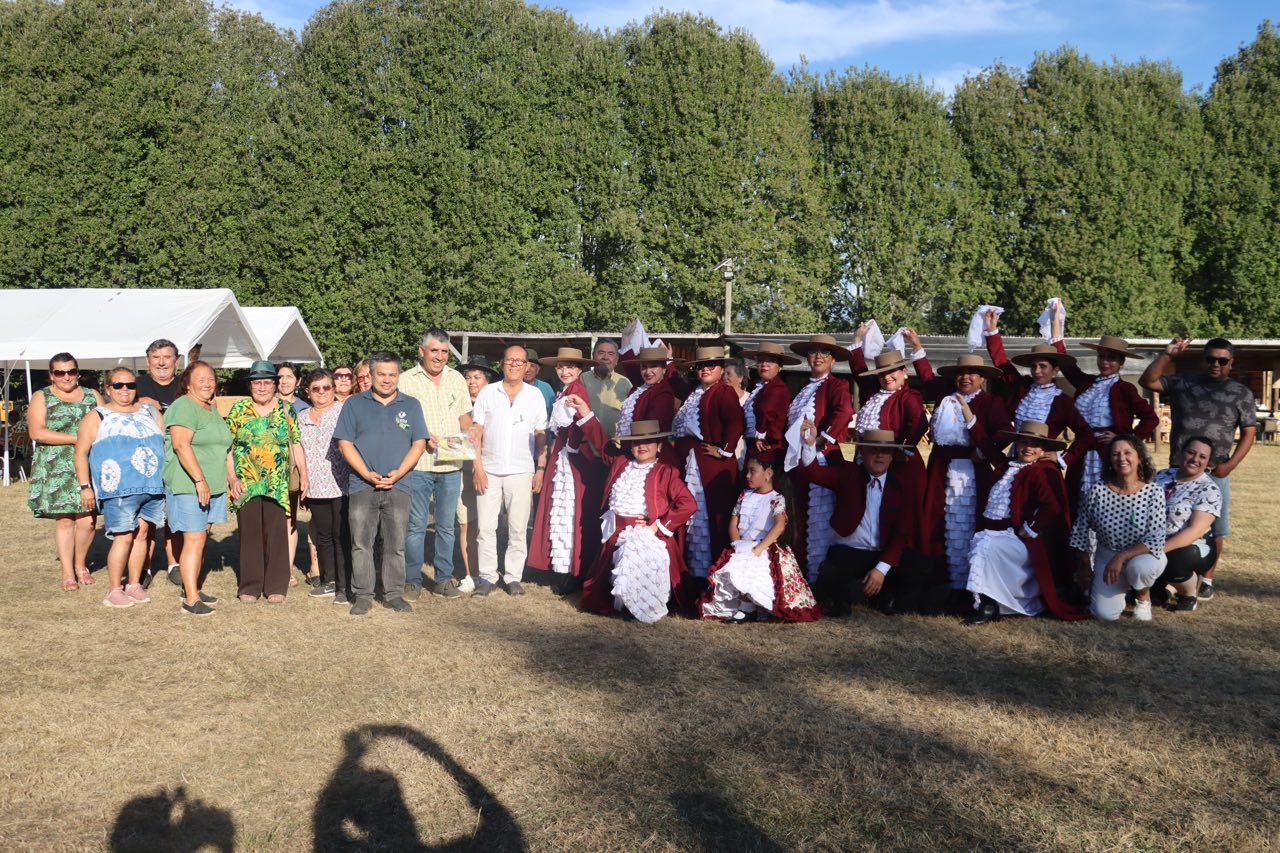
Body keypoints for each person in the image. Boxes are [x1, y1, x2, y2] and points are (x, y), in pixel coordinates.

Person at [1139, 336, 1256, 600]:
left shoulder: (1241, 393)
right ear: (1203, 360)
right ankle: (1171, 575)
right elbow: (1147, 381)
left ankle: (1207, 579)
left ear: (1231, 363)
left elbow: (1249, 433)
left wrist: (1230, 465)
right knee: (1168, 522)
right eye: (1211, 359)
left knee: (1215, 528)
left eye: (1222, 360)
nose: (1216, 364)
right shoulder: (1183, 382)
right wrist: (1168, 355)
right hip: (1177, 470)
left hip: (1215, 472)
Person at [965, 421, 1088, 625]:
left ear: (1043, 450)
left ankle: (988, 607)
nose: (1028, 448)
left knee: (985, 545)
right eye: (1023, 442)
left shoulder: (1040, 471)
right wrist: (970, 418)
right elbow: (987, 447)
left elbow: (1052, 507)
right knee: (983, 541)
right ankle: (992, 601)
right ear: (1016, 444)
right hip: (993, 533)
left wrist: (1030, 529)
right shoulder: (1006, 465)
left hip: (1018, 539)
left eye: (1035, 445)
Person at [334, 352, 428, 615]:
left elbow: (419, 443)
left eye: (392, 375)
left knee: (395, 544)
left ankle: (393, 594)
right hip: (362, 485)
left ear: (398, 376)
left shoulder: (411, 405)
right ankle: (363, 595)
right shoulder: (354, 404)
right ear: (371, 375)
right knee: (361, 542)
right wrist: (366, 473)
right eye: (381, 374)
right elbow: (344, 444)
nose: (387, 380)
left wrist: (399, 473)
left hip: (399, 485)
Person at [913, 352, 1011, 601]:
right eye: (961, 373)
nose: (965, 377)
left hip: (972, 473)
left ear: (982, 378)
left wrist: (982, 450)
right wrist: (916, 347)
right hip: (941, 471)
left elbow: (1004, 433)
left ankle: (970, 585)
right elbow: (926, 378)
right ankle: (942, 583)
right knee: (938, 522)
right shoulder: (945, 398)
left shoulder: (990, 402)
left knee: (969, 524)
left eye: (971, 373)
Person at [578, 420, 697, 623]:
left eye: (648, 442)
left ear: (659, 446)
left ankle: (638, 604)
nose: (642, 446)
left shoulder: (666, 471)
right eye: (636, 442)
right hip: (615, 532)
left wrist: (658, 525)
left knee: (635, 558)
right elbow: (601, 443)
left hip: (645, 534)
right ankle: (621, 601)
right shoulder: (621, 463)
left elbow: (688, 504)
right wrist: (584, 413)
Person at [802, 427, 927, 616]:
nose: (879, 456)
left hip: (883, 553)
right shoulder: (848, 473)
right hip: (850, 551)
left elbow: (901, 534)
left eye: (885, 451)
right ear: (862, 452)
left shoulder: (901, 485)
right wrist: (810, 444)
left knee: (918, 564)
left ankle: (887, 596)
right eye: (873, 450)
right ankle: (842, 600)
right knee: (834, 571)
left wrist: (881, 569)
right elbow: (814, 474)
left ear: (892, 455)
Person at [72, 367, 165, 607]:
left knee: (142, 535)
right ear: (108, 388)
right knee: (123, 537)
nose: (125, 390)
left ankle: (133, 584)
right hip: (118, 490)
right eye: (118, 385)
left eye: (130, 385)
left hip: (152, 487)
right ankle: (114, 589)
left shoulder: (150, 412)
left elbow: (164, 442)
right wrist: (85, 486)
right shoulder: (97, 416)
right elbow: (80, 453)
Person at [699, 455, 821, 623]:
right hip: (743, 544)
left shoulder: (776, 498)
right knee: (738, 564)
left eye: (752, 471)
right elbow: (733, 523)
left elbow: (779, 525)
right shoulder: (744, 495)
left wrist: (758, 549)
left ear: (768, 473)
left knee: (754, 568)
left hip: (764, 546)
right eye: (747, 471)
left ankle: (751, 608)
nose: (747, 475)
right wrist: (737, 544)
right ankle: (746, 606)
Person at [398, 329, 471, 601]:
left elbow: (464, 417)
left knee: (446, 526)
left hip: (451, 464)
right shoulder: (406, 380)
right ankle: (412, 581)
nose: (439, 357)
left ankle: (443, 579)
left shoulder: (456, 379)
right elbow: (399, 420)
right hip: (419, 463)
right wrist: (420, 434)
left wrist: (472, 432)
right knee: (415, 525)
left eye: (443, 351)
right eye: (434, 351)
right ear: (422, 351)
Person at [225, 361, 306, 604]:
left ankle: (276, 585)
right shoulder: (239, 409)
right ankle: (250, 585)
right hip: (246, 482)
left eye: (267, 382)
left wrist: (304, 475)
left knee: (277, 533)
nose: (262, 387)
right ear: (250, 385)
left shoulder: (286, 409)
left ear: (275, 384)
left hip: (277, 483)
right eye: (257, 382)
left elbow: (295, 443)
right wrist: (232, 478)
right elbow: (228, 448)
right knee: (250, 533)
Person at [470, 345, 548, 596]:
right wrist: (477, 467)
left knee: (517, 527)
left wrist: (540, 468)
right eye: (510, 360)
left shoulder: (535, 395)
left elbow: (541, 434)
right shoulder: (488, 393)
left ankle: (513, 577)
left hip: (521, 470)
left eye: (519, 361)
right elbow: (476, 432)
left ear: (527, 366)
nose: (514, 365)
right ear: (502, 364)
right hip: (489, 470)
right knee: (485, 527)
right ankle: (487, 577)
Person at [528, 348, 605, 593]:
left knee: (573, 511)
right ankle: (566, 569)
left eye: (570, 367)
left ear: (580, 369)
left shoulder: (576, 390)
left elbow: (579, 426)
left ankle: (575, 573)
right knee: (564, 510)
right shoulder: (566, 390)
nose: (565, 371)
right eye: (561, 367)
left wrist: (570, 448)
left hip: (573, 458)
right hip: (564, 455)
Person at [1059, 335, 1159, 522]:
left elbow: (1150, 418)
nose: (1105, 362)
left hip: (1108, 453)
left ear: (1121, 362)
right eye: (1101, 356)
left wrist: (1125, 440)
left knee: (1109, 500)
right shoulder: (1086, 383)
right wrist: (1056, 331)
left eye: (1111, 358)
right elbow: (1067, 366)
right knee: (1075, 499)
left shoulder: (1125, 389)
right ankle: (1078, 539)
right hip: (1081, 451)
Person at [1070, 434, 1167, 622]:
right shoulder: (1097, 490)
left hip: (1142, 554)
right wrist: (1085, 567)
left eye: (1127, 453)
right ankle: (1121, 591)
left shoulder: (1153, 492)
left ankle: (1143, 596)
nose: (1121, 458)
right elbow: (1080, 531)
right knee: (1103, 614)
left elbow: (1155, 538)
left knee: (1140, 568)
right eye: (1115, 454)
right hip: (1107, 554)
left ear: (1139, 458)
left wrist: (1122, 556)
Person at [670, 347, 746, 587]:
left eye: (711, 365)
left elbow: (736, 422)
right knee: (692, 514)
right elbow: (676, 385)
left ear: (721, 369)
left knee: (709, 516)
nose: (705, 369)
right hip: (693, 463)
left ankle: (708, 576)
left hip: (711, 465)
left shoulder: (723, 392)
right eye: (701, 366)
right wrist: (669, 362)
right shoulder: (696, 392)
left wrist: (724, 450)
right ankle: (692, 573)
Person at [162, 360, 233, 616]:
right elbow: (181, 445)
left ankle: (191, 588)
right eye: (200, 379)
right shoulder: (183, 406)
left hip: (213, 486)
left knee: (201, 538)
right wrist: (199, 480)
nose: (207, 383)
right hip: (190, 485)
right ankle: (191, 599)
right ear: (187, 384)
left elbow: (225, 446)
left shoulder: (210, 408)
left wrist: (232, 478)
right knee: (194, 539)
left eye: (211, 378)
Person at [27, 353, 102, 591]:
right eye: (60, 372)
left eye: (71, 371)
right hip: (56, 465)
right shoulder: (42, 396)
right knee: (66, 520)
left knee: (88, 521)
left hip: (89, 463)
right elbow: (37, 432)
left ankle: (80, 565)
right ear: (51, 375)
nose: (66, 376)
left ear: (78, 373)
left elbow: (106, 424)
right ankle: (68, 572)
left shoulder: (92, 395)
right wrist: (78, 439)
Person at [784, 334, 855, 577]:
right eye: (813, 352)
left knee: (818, 518)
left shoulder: (836, 385)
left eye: (824, 353)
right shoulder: (804, 388)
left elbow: (844, 411)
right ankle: (801, 575)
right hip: (799, 461)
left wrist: (822, 439)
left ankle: (818, 577)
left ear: (833, 359)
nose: (818, 357)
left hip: (821, 457)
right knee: (800, 517)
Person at [983, 307, 1090, 445]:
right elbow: (1002, 363)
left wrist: (1062, 455)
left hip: (1044, 458)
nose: (1037, 371)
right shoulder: (1022, 388)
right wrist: (992, 330)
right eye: (1034, 366)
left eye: (1043, 366)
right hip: (1016, 454)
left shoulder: (1063, 402)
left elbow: (1085, 434)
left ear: (1055, 370)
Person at [848, 327, 929, 491]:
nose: (886, 377)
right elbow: (859, 370)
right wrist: (857, 339)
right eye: (881, 373)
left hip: (897, 462)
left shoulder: (908, 396)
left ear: (904, 371)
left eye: (892, 371)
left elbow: (919, 423)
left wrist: (902, 449)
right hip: (867, 461)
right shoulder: (873, 390)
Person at [298, 368, 353, 602]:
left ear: (333, 388)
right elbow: (297, 447)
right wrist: (303, 477)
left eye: (326, 387)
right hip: (315, 486)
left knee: (341, 535)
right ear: (308, 392)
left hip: (341, 484)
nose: (321, 392)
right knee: (323, 536)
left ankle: (344, 584)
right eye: (316, 388)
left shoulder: (344, 411)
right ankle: (329, 580)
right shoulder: (302, 417)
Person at [1151, 436, 1222, 612]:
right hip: (1155, 539)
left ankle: (1188, 594)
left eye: (1202, 457)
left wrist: (1156, 551)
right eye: (1191, 452)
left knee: (1172, 563)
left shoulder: (1209, 489)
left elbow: (1194, 531)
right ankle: (1167, 588)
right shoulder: (1162, 475)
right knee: (1152, 596)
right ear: (1182, 453)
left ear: (1208, 463)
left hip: (1191, 546)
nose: (1195, 459)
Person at [136, 338, 183, 587]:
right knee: (146, 517)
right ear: (148, 361)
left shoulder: (186, 385)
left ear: (176, 361)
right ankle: (143, 567)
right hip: (144, 462)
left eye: (167, 357)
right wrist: (137, 402)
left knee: (174, 514)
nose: (161, 363)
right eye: (156, 357)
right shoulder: (136, 385)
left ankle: (174, 564)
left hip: (178, 458)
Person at [456, 356, 498, 591]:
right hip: (463, 469)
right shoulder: (458, 405)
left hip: (491, 471)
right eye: (467, 377)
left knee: (488, 525)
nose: (471, 381)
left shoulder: (496, 404)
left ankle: (489, 571)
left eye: (476, 377)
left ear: (487, 380)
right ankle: (470, 574)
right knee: (466, 523)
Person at [274, 361, 310, 586]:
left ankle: (286, 570)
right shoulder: (266, 403)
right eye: (280, 376)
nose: (284, 381)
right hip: (268, 472)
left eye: (289, 376)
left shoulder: (304, 408)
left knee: (289, 520)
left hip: (293, 472)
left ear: (298, 381)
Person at [738, 342, 799, 463]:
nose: (764, 364)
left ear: (780, 366)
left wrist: (760, 435)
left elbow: (767, 412)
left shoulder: (777, 388)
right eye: (760, 360)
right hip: (753, 445)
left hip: (767, 446)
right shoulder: (761, 387)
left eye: (771, 361)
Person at [615, 346, 681, 436]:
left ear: (664, 369)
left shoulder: (663, 393)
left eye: (653, 366)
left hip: (647, 443)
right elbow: (631, 367)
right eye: (644, 367)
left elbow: (651, 431)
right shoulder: (640, 386)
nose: (648, 372)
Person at [581, 339, 632, 438]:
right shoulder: (583, 379)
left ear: (617, 359)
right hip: (586, 443)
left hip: (615, 442)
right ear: (593, 356)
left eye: (611, 354)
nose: (605, 357)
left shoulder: (625, 383)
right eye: (601, 353)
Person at [522, 349, 555, 415]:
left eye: (532, 366)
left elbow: (553, 413)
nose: (528, 370)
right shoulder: (512, 387)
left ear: (537, 369)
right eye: (525, 366)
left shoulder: (546, 388)